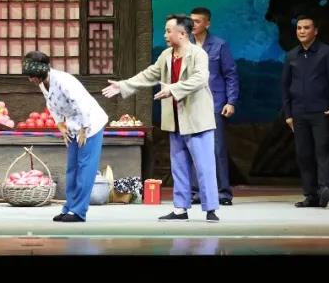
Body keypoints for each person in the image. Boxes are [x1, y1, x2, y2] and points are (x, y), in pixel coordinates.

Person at [102, 14, 220, 222]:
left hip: (196, 120)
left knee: (204, 166)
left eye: (168, 31)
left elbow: (200, 79)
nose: (165, 34)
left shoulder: (198, 54)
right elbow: (149, 74)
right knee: (179, 166)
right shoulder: (166, 55)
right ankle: (180, 209)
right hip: (175, 120)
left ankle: (210, 208)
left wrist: (173, 89)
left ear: (182, 34)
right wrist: (124, 85)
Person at [23, 51, 108, 222]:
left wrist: (85, 128)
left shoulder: (63, 81)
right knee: (72, 168)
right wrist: (60, 124)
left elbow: (81, 103)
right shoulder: (43, 83)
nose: (31, 79)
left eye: (33, 75)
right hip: (73, 124)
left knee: (85, 167)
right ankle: (69, 207)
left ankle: (78, 211)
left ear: (41, 71)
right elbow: (51, 104)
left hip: (90, 122)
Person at [281, 14, 329, 209]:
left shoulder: (327, 52)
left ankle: (324, 188)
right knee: (303, 154)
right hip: (298, 113)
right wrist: (288, 114)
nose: (302, 31)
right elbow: (285, 86)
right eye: (299, 28)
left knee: (322, 150)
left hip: (321, 112)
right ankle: (310, 195)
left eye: (306, 28)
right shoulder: (292, 55)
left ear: (315, 31)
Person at [188, 7, 240, 206]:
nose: (193, 25)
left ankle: (223, 192)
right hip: (191, 104)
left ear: (207, 23)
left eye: (197, 21)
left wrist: (231, 101)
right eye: (191, 21)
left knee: (217, 149)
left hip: (215, 103)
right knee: (194, 149)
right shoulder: (185, 44)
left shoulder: (219, 45)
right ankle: (196, 192)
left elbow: (230, 75)